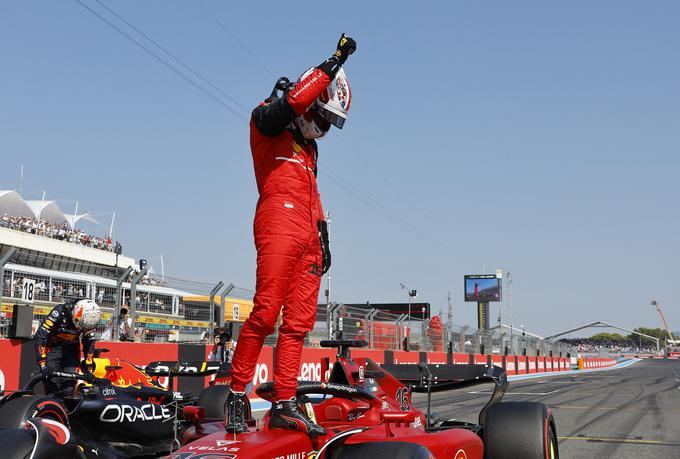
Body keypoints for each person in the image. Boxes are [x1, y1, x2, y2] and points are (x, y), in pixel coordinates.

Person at [226, 33, 357, 436]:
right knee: (266, 312)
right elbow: (293, 103)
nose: (324, 127)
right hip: (277, 220)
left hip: (307, 232)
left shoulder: (309, 151)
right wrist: (333, 62)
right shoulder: (267, 120)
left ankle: (285, 402)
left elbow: (315, 195)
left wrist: (324, 238)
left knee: (298, 324)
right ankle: (235, 392)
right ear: (311, 99)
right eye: (324, 117)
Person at [33, 299, 101, 394]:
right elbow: (40, 337)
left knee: (68, 390)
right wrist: (43, 365)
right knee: (52, 388)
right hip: (52, 348)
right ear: (75, 315)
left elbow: (89, 345)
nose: (82, 329)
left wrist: (89, 370)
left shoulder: (90, 320)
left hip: (72, 350)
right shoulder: (60, 312)